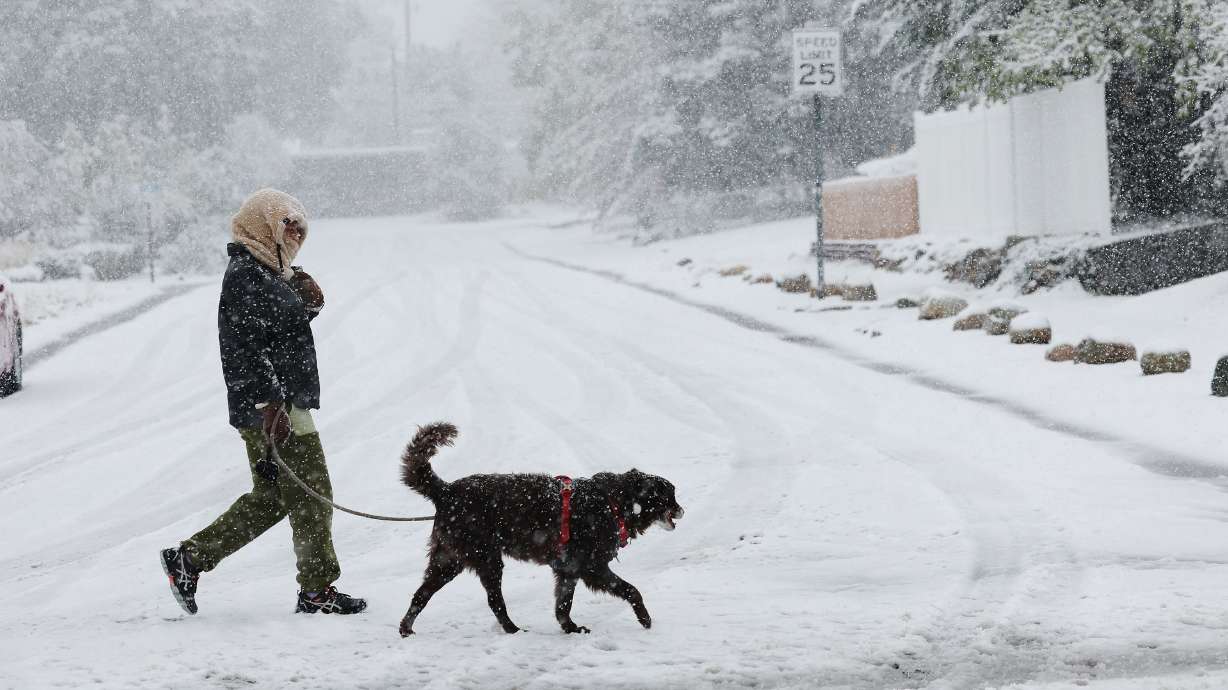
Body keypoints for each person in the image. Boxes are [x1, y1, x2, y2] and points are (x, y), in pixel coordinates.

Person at [160, 188, 365, 616]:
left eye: (298, 227)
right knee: (312, 492)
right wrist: (270, 406)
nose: (293, 233)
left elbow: (277, 333)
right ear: (261, 224)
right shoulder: (246, 275)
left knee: (275, 496)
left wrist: (306, 304)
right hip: (274, 408)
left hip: (281, 403)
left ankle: (190, 559)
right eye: (285, 224)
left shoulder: (268, 272)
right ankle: (316, 591)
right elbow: (245, 349)